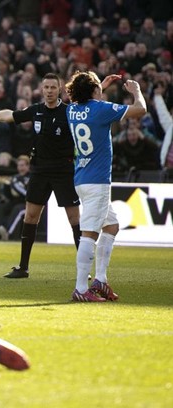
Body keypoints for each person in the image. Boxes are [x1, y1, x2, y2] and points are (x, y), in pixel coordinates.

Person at [0, 73, 81, 279]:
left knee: (74, 219)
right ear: (41, 89)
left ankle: (84, 269)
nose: (49, 91)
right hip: (39, 170)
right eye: (46, 87)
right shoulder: (36, 111)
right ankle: (23, 267)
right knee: (31, 217)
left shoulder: (70, 112)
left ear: (60, 90)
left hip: (63, 171)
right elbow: (10, 116)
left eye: (53, 87)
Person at [65, 71, 146, 302]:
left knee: (111, 226)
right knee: (89, 234)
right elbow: (140, 111)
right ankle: (81, 289)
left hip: (81, 178)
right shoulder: (101, 110)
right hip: (98, 181)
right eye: (98, 88)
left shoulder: (72, 110)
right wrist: (137, 91)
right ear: (94, 91)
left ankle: (100, 279)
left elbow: (87, 104)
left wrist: (99, 87)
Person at [0, 155, 31, 241]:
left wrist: (14, 184)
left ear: (28, 166)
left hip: (29, 203)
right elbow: (10, 195)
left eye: (23, 165)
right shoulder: (15, 177)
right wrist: (7, 186)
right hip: (16, 201)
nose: (20, 168)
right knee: (2, 206)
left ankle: (7, 233)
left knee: (18, 209)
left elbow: (27, 194)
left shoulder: (31, 177)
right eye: (19, 166)